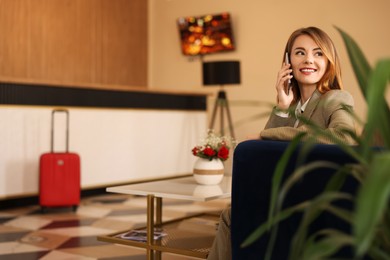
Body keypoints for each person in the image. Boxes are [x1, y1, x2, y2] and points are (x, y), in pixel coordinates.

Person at [207, 26, 356, 260]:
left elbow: (342, 137)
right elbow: (261, 159)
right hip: (286, 194)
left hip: (315, 199)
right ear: (288, 62)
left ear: (329, 62)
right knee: (232, 214)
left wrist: (270, 135)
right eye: (300, 52)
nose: (309, 59)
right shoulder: (292, 107)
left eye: (318, 53)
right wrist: (282, 107)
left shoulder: (337, 98)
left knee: (234, 216)